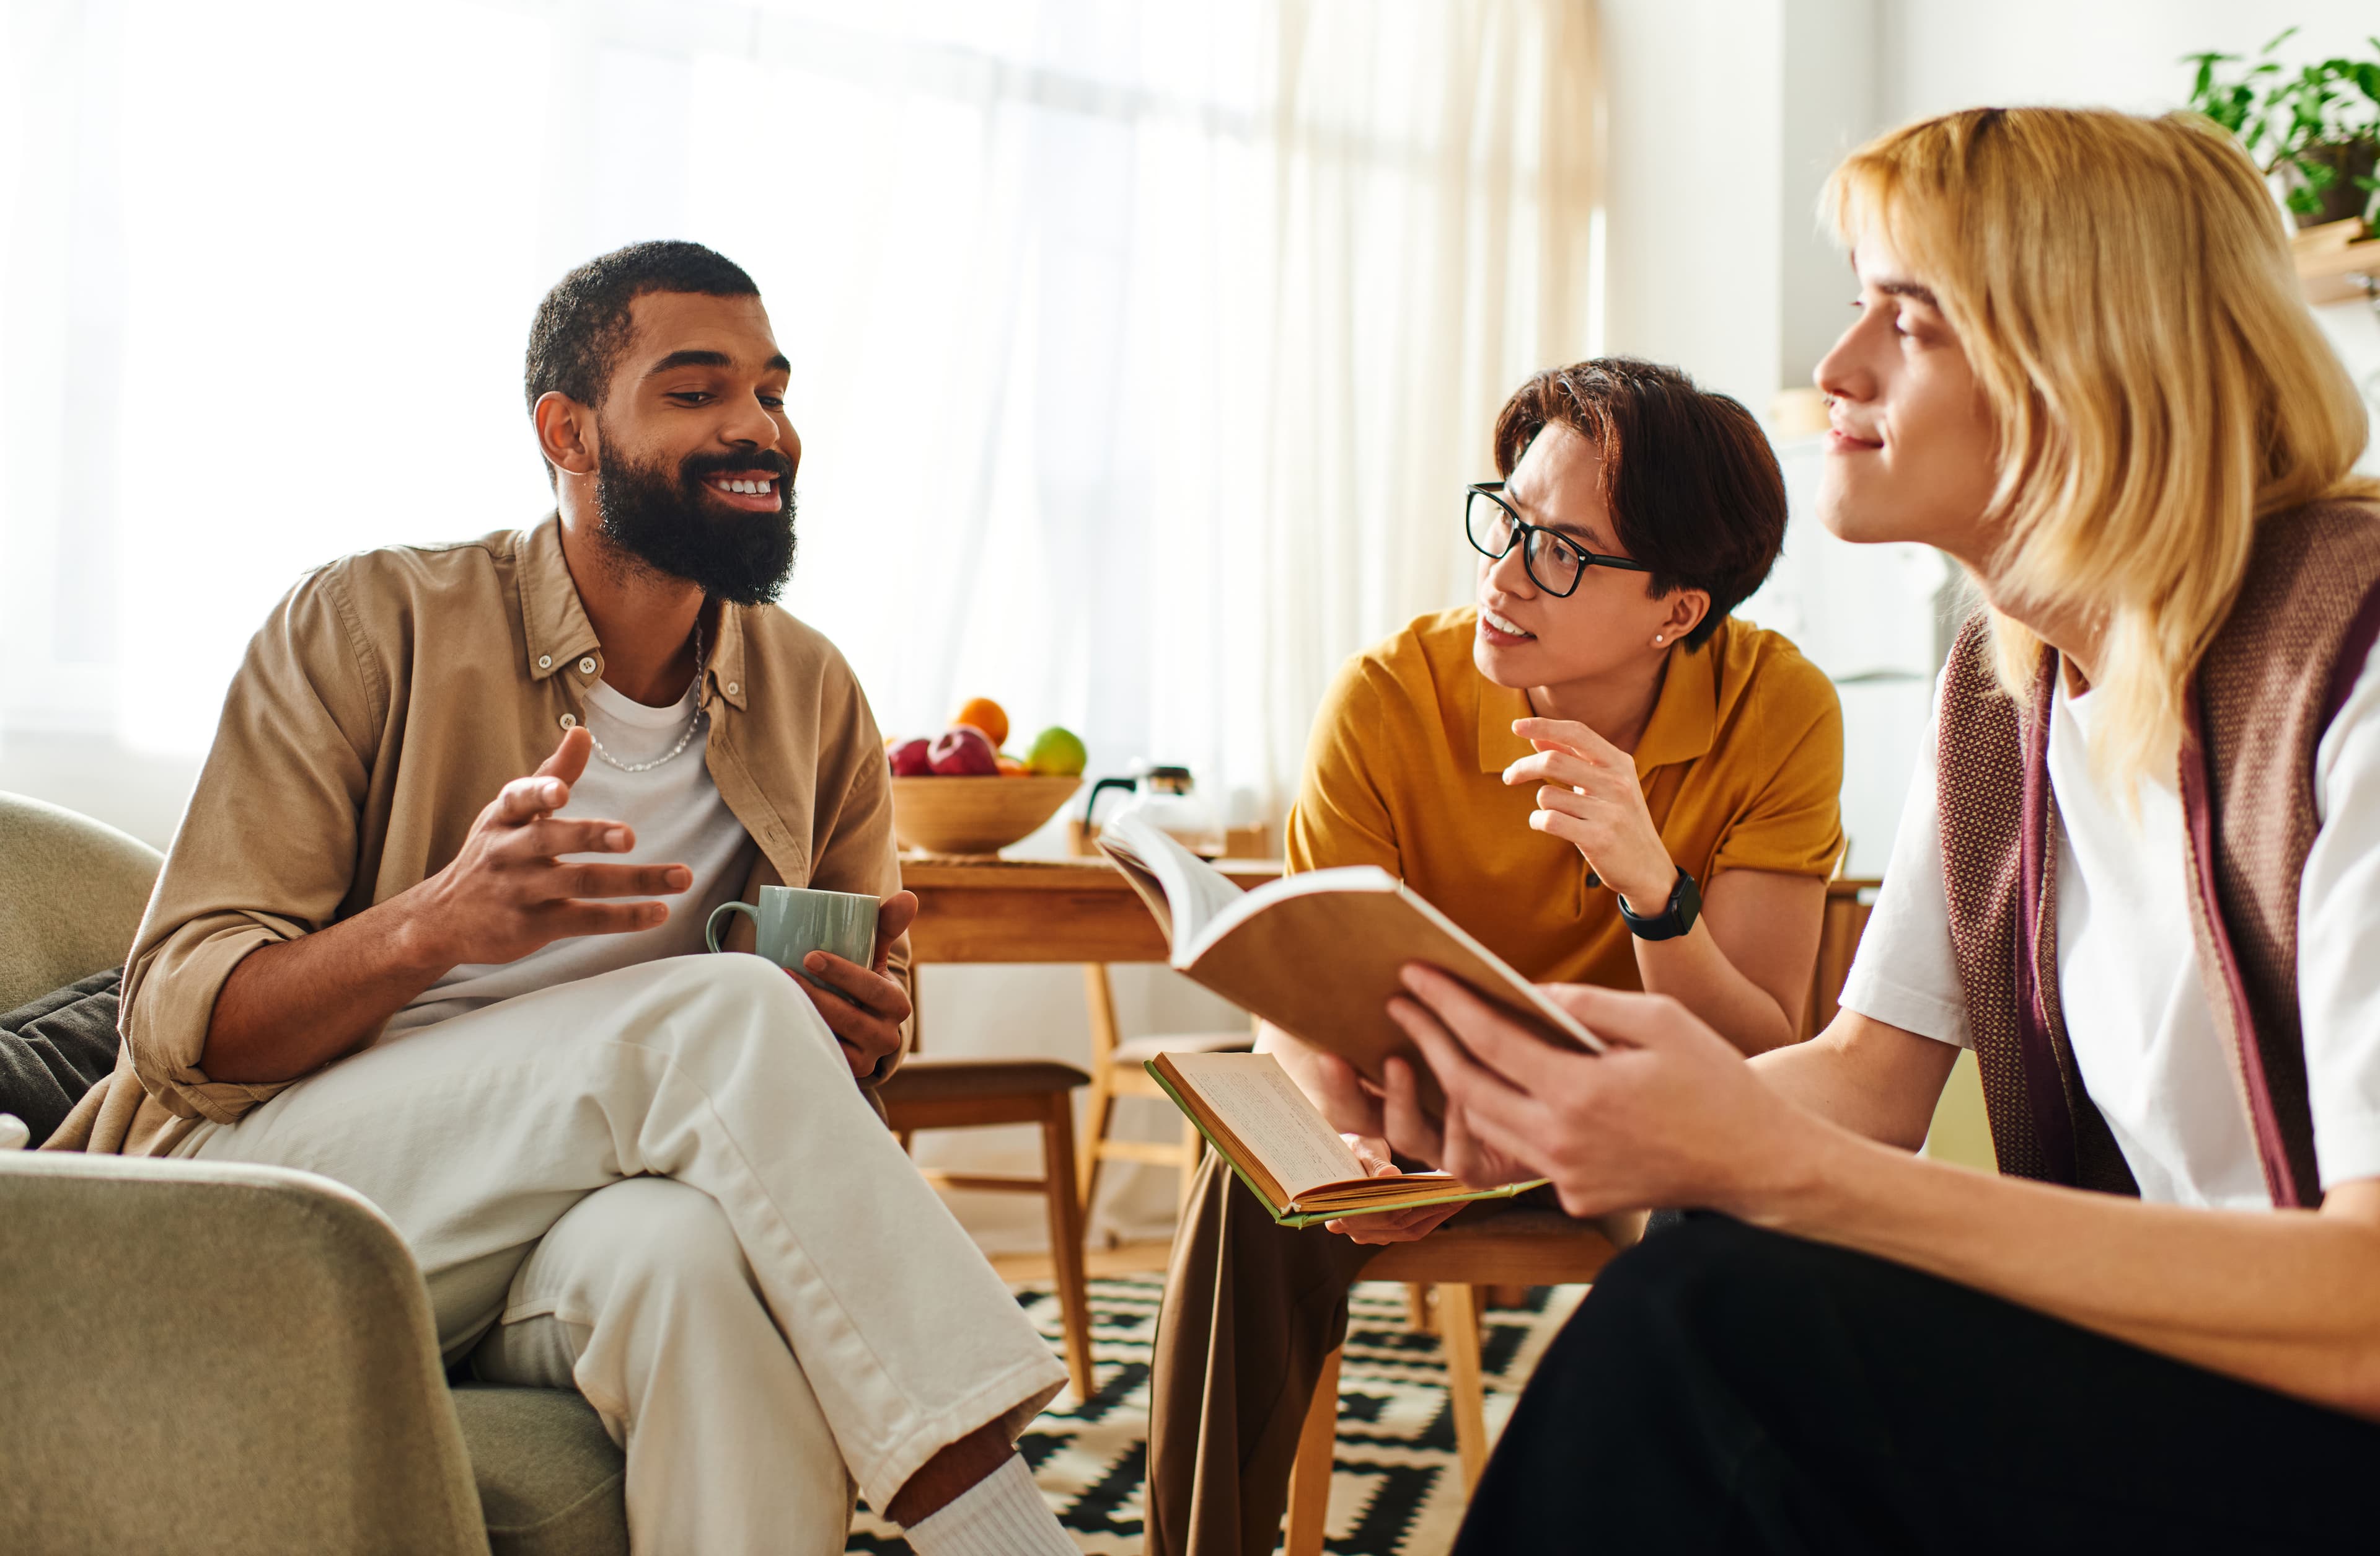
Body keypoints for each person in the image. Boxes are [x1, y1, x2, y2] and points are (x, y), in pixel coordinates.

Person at [1386, 108, 2380, 1553]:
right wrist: (1566, 1104)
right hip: (2208, 1386)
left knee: (1717, 1318)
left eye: (1905, 319)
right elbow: (1864, 1076)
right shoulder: (2002, 689)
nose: (1836, 368)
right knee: (1715, 1247)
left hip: (2330, 1416)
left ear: (2095, 360)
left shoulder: (2354, 663)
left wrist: (1769, 1160)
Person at [45, 241, 1080, 1556]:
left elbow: (831, 1062)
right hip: (262, 1206)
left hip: (545, 1225)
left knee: (690, 1268)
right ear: (569, 431)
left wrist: (867, 1035)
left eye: (772, 391)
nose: (760, 428)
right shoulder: (369, 623)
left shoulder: (813, 693)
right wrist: (435, 924)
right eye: (697, 392)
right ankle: (1002, 1531)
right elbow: (177, 1024)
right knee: (719, 1011)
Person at [1147, 358, 1846, 1555]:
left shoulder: (1779, 710)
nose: (1505, 574)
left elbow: (1760, 1051)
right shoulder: (1387, 697)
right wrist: (1355, 1155)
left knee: (1746, 1209)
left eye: (1561, 551)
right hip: (1410, 1106)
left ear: (1678, 611)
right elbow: (1299, 998)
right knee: (1246, 1170)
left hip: (1640, 1127)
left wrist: (1651, 888)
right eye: (1508, 518)